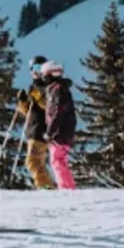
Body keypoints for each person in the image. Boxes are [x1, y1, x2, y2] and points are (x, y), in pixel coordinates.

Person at [17, 56, 56, 189]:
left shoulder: (48, 86)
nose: (35, 71)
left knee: (32, 161)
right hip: (33, 128)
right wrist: (23, 102)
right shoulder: (34, 86)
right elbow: (28, 111)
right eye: (32, 68)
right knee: (37, 161)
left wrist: (38, 97)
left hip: (42, 129)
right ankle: (48, 186)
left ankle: (46, 187)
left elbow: (50, 107)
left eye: (38, 68)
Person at [42, 60, 78, 190]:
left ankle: (66, 188)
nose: (43, 77)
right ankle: (68, 187)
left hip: (60, 131)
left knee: (57, 160)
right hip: (64, 130)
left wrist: (50, 132)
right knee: (60, 159)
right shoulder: (59, 88)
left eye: (44, 74)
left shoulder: (57, 90)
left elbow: (57, 111)